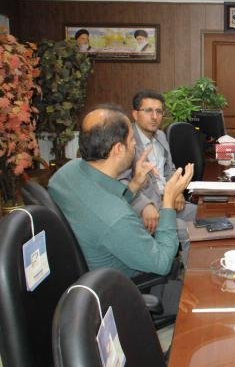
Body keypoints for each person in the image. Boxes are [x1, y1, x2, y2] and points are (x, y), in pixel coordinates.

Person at [48, 106, 194, 277]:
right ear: (118, 149)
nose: (135, 144)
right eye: (132, 139)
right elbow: (162, 263)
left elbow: (105, 202)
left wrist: (135, 184)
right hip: (122, 283)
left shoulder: (66, 172)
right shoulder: (117, 218)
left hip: (89, 262)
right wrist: (168, 201)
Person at [119, 90, 195, 260]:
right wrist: (144, 205)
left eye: (159, 111)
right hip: (147, 208)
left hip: (166, 200)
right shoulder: (126, 142)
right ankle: (189, 275)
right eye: (148, 111)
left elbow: (169, 169)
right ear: (135, 114)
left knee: (201, 214)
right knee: (187, 231)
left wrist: (177, 191)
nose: (154, 117)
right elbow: (120, 183)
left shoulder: (160, 135)